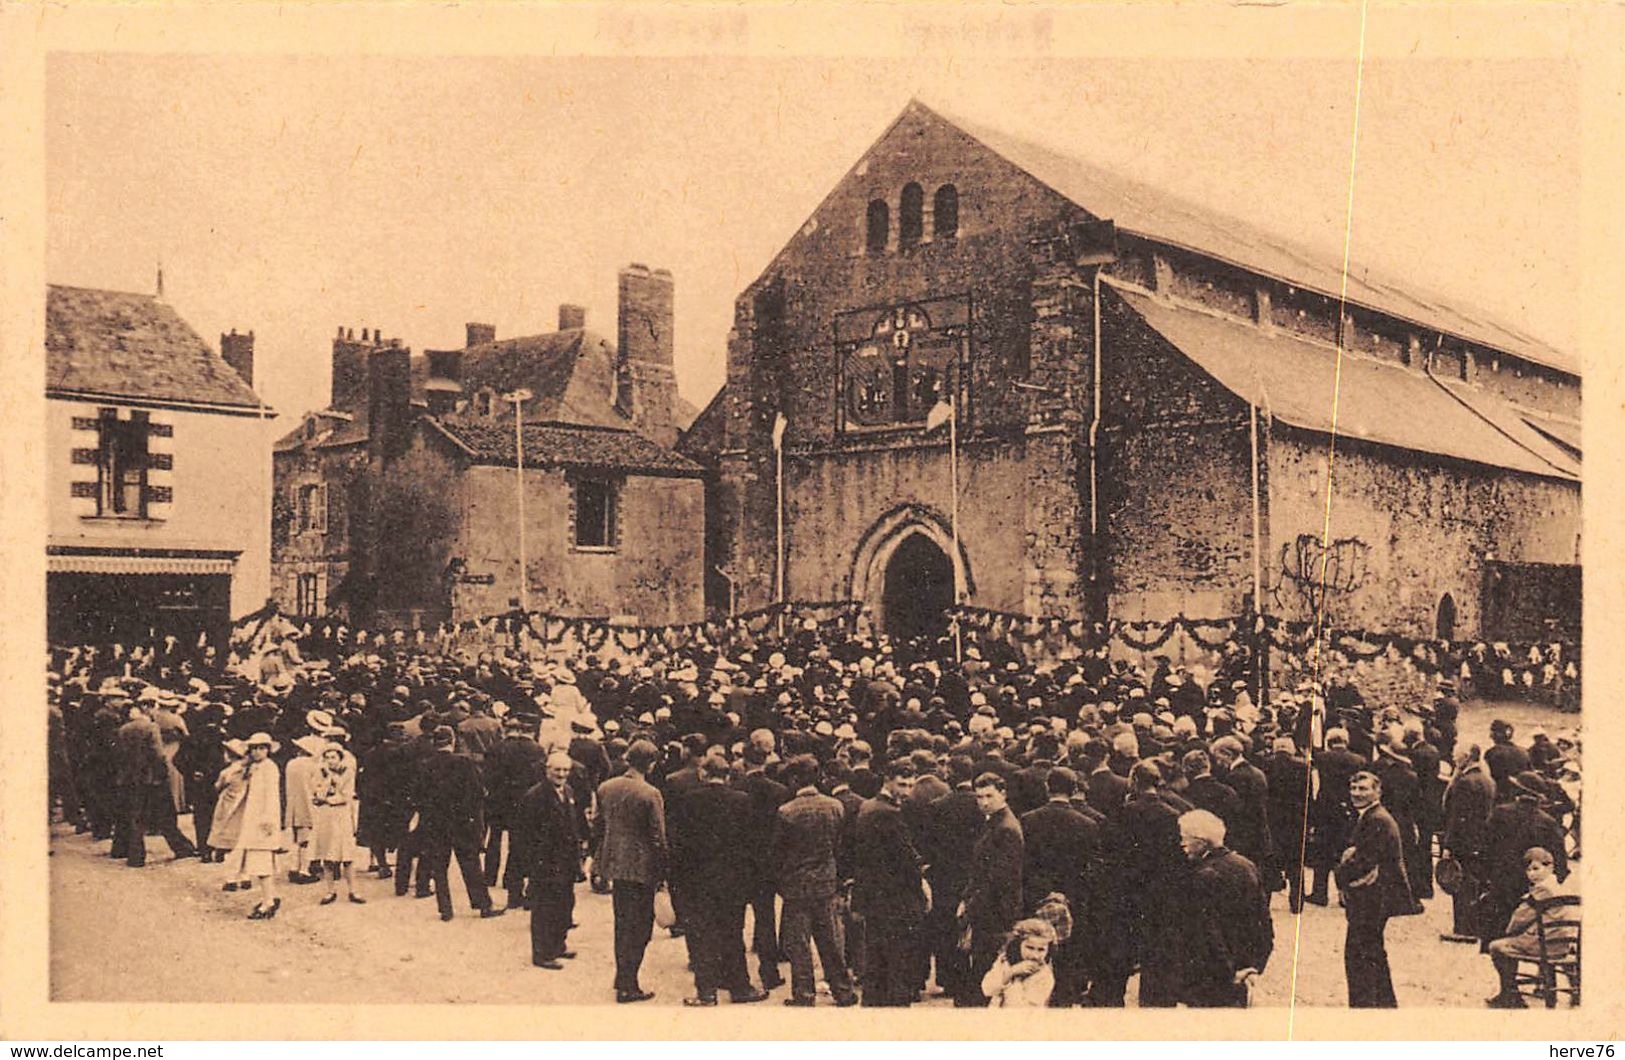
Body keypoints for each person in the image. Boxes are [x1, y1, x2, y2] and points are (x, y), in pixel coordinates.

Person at [673, 752, 768, 1006]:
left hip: (699, 880)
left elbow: (680, 844)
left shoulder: (689, 800)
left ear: (703, 773)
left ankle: (706, 992)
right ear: (727, 776)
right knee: (732, 933)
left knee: (702, 934)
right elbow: (752, 844)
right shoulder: (742, 801)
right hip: (733, 881)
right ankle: (739, 987)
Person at [772, 753, 859, 1007]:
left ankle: (804, 993)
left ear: (796, 780)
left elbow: (778, 852)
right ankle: (843, 991)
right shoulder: (835, 806)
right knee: (830, 940)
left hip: (797, 885)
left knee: (798, 943)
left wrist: (782, 880)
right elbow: (839, 845)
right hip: (826, 882)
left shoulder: (786, 812)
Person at [595, 738, 668, 1003]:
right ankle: (628, 983)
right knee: (640, 928)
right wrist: (663, 873)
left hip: (615, 865)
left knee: (622, 924)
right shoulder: (650, 794)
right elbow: (658, 837)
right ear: (651, 763)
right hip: (642, 868)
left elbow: (598, 826)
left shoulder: (606, 788)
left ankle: (622, 976)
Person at [1177, 809, 1272, 1007]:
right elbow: (1264, 922)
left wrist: (1228, 973)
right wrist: (1255, 966)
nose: (1182, 844)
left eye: (1185, 838)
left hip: (1213, 975)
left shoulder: (1202, 876)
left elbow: (1208, 932)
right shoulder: (1247, 866)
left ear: (1201, 842)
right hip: (1245, 969)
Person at [852, 758, 928, 1007]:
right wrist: (923, 886)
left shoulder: (868, 806)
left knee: (876, 959)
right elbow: (906, 859)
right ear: (888, 781)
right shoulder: (890, 814)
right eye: (902, 784)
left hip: (874, 897)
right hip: (895, 899)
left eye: (910, 785)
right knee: (896, 963)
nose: (907, 791)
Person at [1336, 771, 1413, 1007]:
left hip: (1373, 897)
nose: (1357, 794)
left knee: (1359, 954)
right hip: (1376, 896)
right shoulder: (1371, 816)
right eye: (1354, 788)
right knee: (1372, 950)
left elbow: (1361, 862)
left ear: (1377, 791)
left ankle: (1364, 1006)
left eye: (1363, 789)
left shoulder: (1376, 819)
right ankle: (1384, 1003)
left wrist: (1342, 868)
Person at [412, 726, 503, 922]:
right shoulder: (464, 762)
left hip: (435, 822)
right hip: (462, 822)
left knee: (439, 866)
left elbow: (417, 796)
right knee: (470, 864)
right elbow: (478, 792)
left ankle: (445, 909)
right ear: (452, 741)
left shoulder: (425, 765)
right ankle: (483, 905)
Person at [958, 772, 1024, 1006]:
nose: (984, 802)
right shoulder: (996, 823)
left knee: (988, 976)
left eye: (989, 796)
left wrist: (970, 906)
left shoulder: (1005, 828)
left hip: (995, 913)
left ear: (1003, 793)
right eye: (979, 797)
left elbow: (997, 879)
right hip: (990, 909)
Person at [1484, 846, 1577, 1008]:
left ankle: (1511, 993)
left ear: (1550, 867)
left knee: (1496, 946)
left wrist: (1510, 931)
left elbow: (1520, 918)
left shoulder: (1541, 890)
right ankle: (1574, 992)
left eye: (1536, 868)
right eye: (1528, 870)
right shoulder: (1557, 886)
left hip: (1544, 945)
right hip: (1563, 944)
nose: (1532, 874)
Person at [515, 751, 581, 969]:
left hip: (566, 862)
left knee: (564, 905)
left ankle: (558, 945)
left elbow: (573, 825)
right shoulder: (535, 796)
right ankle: (542, 953)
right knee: (544, 909)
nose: (561, 774)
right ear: (547, 770)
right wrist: (531, 866)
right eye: (557, 770)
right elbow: (524, 835)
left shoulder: (568, 791)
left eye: (565, 770)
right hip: (545, 863)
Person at [1440, 744, 1495, 943]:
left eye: (1456, 756)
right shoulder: (1487, 780)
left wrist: (1448, 844)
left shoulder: (1464, 782)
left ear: (1466, 758)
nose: (1454, 760)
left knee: (1460, 883)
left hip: (1464, 840)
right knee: (1476, 882)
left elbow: (1456, 816)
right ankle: (1476, 925)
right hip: (1481, 839)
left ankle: (1463, 927)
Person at [233, 732, 285, 920]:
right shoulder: (255, 767)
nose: (257, 752)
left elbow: (271, 796)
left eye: (261, 748)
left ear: (268, 750)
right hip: (254, 818)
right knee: (259, 861)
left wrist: (267, 819)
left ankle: (268, 901)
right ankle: (269, 897)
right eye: (254, 748)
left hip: (263, 820)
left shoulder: (269, 768)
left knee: (261, 861)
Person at [310, 744, 365, 905]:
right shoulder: (320, 773)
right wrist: (325, 785)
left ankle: (353, 890)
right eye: (327, 757)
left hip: (341, 815)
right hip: (325, 815)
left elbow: (346, 795)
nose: (330, 761)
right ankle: (330, 890)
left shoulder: (347, 772)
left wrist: (329, 792)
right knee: (327, 853)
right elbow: (317, 791)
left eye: (333, 757)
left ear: (340, 758)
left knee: (346, 854)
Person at [979, 918, 1058, 1007]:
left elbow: (1019, 1008)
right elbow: (987, 989)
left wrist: (1016, 980)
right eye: (1029, 948)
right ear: (1018, 945)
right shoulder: (1005, 961)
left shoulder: (1044, 975)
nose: (1035, 955)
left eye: (1041, 950)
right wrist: (1011, 972)